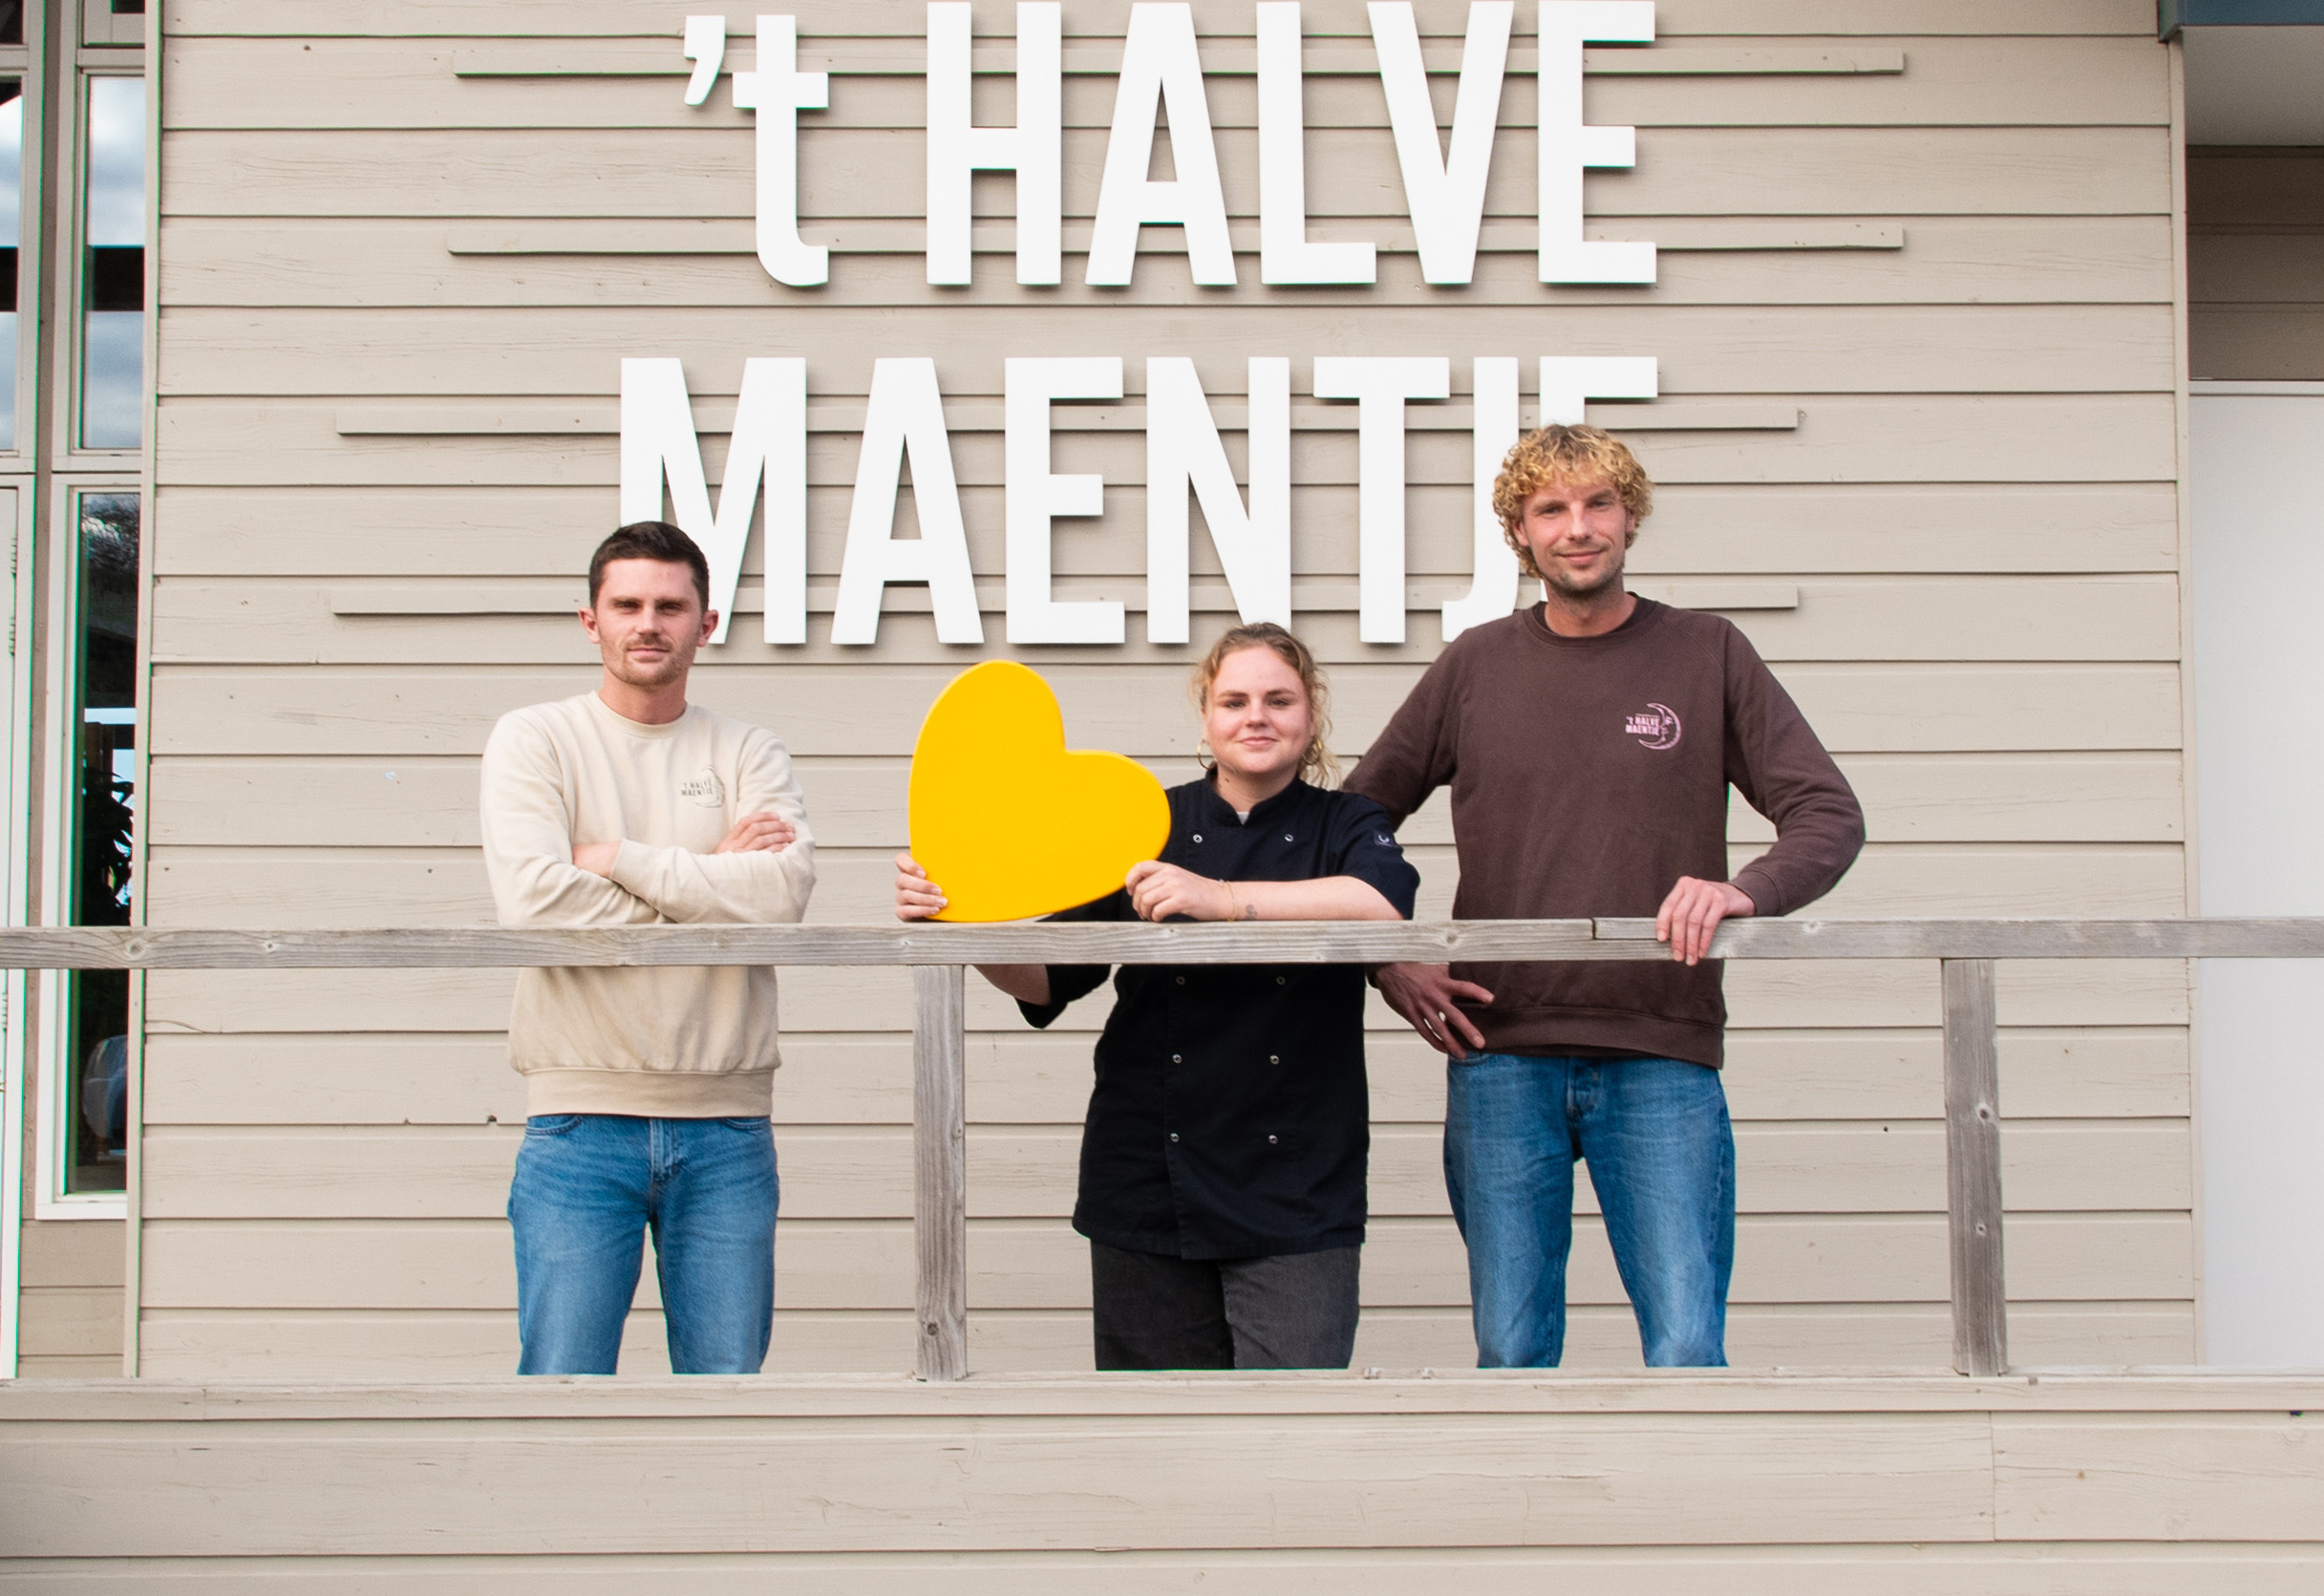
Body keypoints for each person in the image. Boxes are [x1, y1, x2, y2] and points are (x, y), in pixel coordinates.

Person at [1350, 425, 1866, 1369]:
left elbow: (1825, 813)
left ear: (1630, 518)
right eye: (1550, 508)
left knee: (1683, 1346)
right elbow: (1348, 823)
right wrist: (1391, 957)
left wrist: (1745, 890)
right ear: (1519, 532)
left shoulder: (1706, 653)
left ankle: (1684, 1515)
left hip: (1660, 1051)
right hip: (1500, 1052)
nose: (1576, 527)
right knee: (1510, 1351)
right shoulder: (1474, 665)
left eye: (1597, 504)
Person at [896, 623, 1416, 1370]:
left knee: (1296, 1432)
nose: (1255, 716)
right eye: (1233, 700)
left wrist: (1222, 897)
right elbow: (1049, 979)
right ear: (1206, 715)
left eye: (1278, 699)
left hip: (1296, 1182)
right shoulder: (1144, 823)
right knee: (1153, 1441)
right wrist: (961, 920)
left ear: (1310, 716)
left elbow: (1380, 902)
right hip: (1145, 1174)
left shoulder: (1347, 822)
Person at [481, 520, 817, 1374]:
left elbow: (778, 897)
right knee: (560, 1385)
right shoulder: (537, 739)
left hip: (727, 1124)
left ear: (705, 623)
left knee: (727, 1390)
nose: (647, 623)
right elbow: (534, 903)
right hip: (578, 1122)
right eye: (626, 604)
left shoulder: (748, 748)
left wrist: (619, 860)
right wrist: (709, 877)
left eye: (670, 605)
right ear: (589, 619)